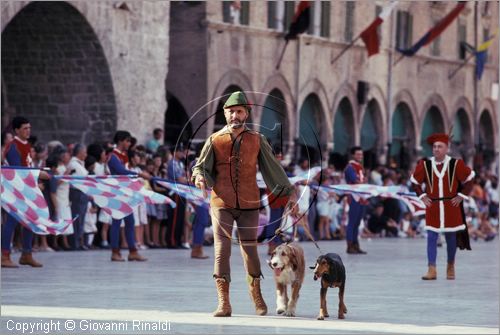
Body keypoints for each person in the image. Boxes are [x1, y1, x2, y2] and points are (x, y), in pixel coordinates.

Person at [192, 91, 297, 317]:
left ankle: (256, 295)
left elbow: (273, 169)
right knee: (222, 250)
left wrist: (289, 193)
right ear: (225, 113)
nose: (234, 115)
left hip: (249, 203)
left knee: (250, 251)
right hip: (221, 202)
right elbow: (200, 166)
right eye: (231, 111)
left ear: (246, 113)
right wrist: (200, 176)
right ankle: (223, 302)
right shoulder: (214, 140)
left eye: (239, 111)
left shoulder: (257, 139)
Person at [410, 133, 475, 280]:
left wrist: (462, 195)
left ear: (447, 148)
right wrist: (422, 196)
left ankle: (450, 265)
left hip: (451, 206)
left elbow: (469, 179)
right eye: (434, 147)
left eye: (440, 146)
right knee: (431, 237)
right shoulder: (425, 165)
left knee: (451, 238)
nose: (436, 149)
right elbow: (415, 182)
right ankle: (431, 269)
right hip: (433, 206)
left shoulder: (456, 164)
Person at [1, 116, 48, 268]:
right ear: (16, 130)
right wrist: (38, 175)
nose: (28, 131)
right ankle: (4, 256)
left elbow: (27, 167)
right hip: (15, 190)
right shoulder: (13, 146)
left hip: (26, 189)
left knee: (31, 221)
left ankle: (26, 254)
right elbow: (18, 172)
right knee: (12, 222)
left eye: (29, 128)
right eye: (25, 128)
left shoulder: (26, 145)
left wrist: (35, 181)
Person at [107, 130, 151, 262]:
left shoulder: (123, 155)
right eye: (127, 141)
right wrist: (139, 174)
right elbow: (121, 171)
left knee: (130, 221)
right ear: (120, 141)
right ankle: (115, 252)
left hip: (126, 192)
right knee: (116, 222)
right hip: (118, 192)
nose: (129, 143)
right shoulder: (113, 156)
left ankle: (132, 251)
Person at [344, 146, 368, 254]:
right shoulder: (350, 167)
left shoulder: (360, 167)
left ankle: (356, 244)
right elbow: (355, 181)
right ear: (353, 155)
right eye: (358, 154)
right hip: (354, 197)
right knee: (352, 222)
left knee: (357, 223)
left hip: (361, 197)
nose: (360, 156)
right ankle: (350, 246)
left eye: (361, 154)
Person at [68, 143, 89, 250]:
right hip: (77, 193)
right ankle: (75, 242)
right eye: (84, 152)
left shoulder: (80, 163)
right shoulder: (74, 164)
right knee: (77, 218)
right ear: (79, 152)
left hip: (83, 193)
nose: (86, 154)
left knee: (82, 218)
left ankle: (80, 241)